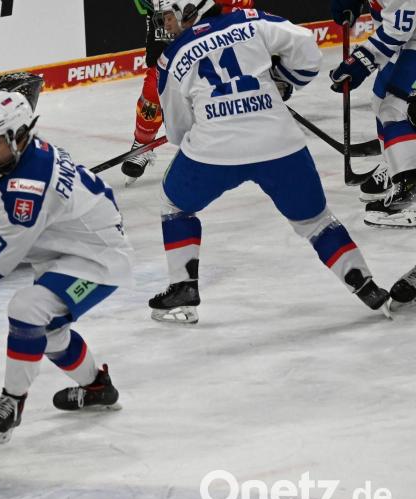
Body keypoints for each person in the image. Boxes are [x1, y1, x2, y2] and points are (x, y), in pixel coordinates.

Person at [149, 1, 391, 324]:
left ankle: (183, 287)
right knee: (316, 222)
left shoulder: (171, 57)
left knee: (173, 203)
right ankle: (365, 284)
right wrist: (284, 80)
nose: (166, 25)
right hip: (280, 141)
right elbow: (307, 49)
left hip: (214, 151)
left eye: (168, 16)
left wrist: (213, 113)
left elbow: (179, 133)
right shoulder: (251, 20)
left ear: (190, 10)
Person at [0, 91, 134, 444]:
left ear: (20, 136)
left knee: (27, 309)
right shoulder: (27, 158)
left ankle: (12, 402)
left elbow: (5, 250)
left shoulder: (30, 182)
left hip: (97, 261)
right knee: (50, 332)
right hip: (70, 251)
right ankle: (98, 388)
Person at [122, 0, 255, 184]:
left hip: (209, 40)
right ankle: (143, 143)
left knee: (223, 80)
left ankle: (239, 124)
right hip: (170, 42)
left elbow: (244, 8)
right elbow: (145, 9)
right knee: (152, 94)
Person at [329, 0, 416, 228]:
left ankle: (412, 186)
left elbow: (399, 28)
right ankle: (399, 168)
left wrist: (360, 61)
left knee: (398, 105)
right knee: (382, 100)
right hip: (410, 38)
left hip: (408, 34)